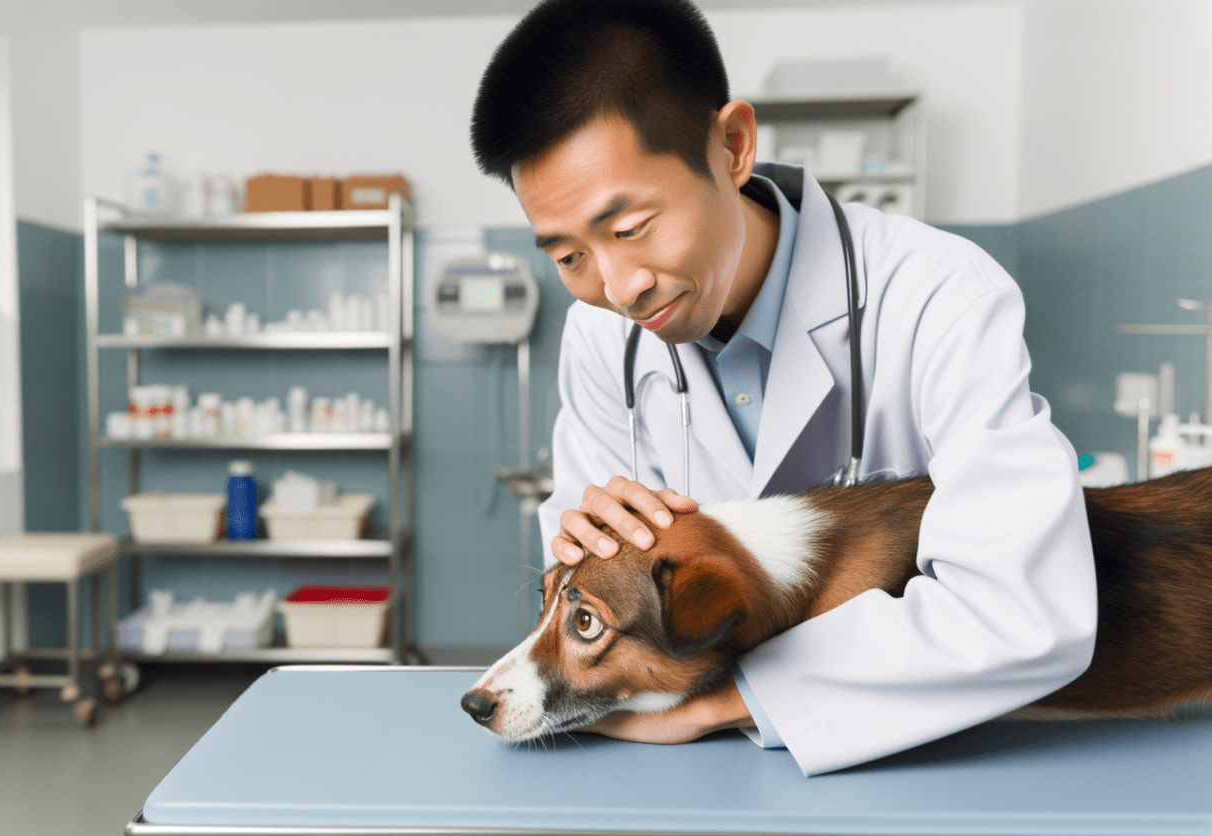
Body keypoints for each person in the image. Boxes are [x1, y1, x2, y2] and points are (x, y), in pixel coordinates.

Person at [469, 0, 1097, 776]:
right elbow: (598, 601)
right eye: (568, 257)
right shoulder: (601, 340)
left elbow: (1024, 611)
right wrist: (583, 537)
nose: (618, 287)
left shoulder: (937, 293)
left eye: (629, 228)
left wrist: (715, 707)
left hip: (921, 768)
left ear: (730, 147)